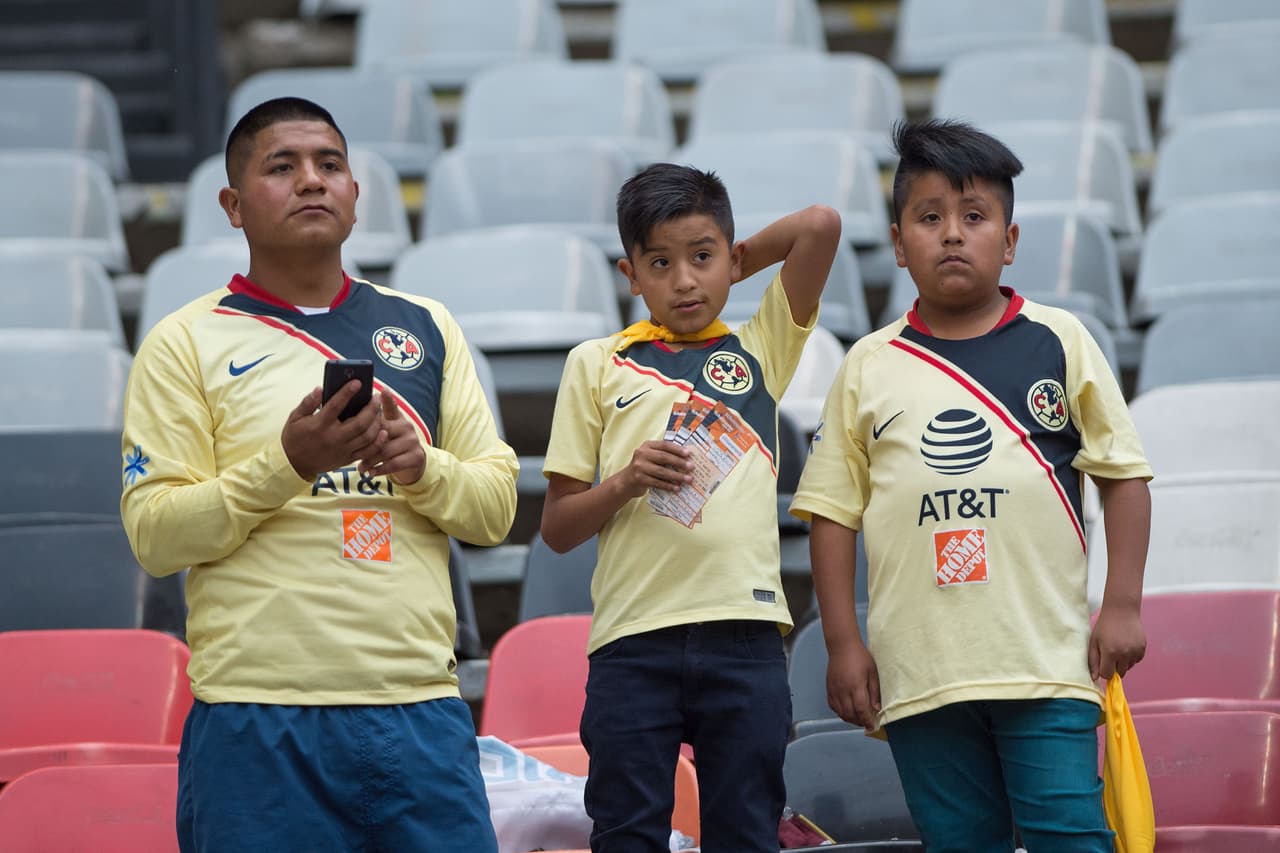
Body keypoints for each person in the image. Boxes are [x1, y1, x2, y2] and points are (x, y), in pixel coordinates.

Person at [120, 97, 517, 852]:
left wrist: (420, 466)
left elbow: (495, 509)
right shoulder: (182, 342)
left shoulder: (426, 325)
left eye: (329, 165)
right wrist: (289, 462)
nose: (312, 180)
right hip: (256, 716)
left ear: (356, 197)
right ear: (232, 206)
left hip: (419, 709)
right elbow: (155, 535)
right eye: (283, 166)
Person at [790, 119, 1153, 852]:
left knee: (1070, 834)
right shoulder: (867, 364)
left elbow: (1124, 476)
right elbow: (830, 514)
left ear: (1010, 241)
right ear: (897, 243)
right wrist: (842, 642)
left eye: (975, 216)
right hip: (921, 674)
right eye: (930, 218)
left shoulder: (1062, 339)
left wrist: (1121, 604)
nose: (952, 234)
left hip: (1046, 662)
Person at [539, 162, 842, 852]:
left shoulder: (758, 349)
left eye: (701, 257)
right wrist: (622, 481)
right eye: (660, 263)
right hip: (632, 641)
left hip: (746, 636)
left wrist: (733, 266)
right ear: (630, 275)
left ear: (731, 260)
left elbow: (819, 225)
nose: (683, 281)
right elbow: (557, 528)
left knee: (746, 832)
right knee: (626, 832)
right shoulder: (596, 362)